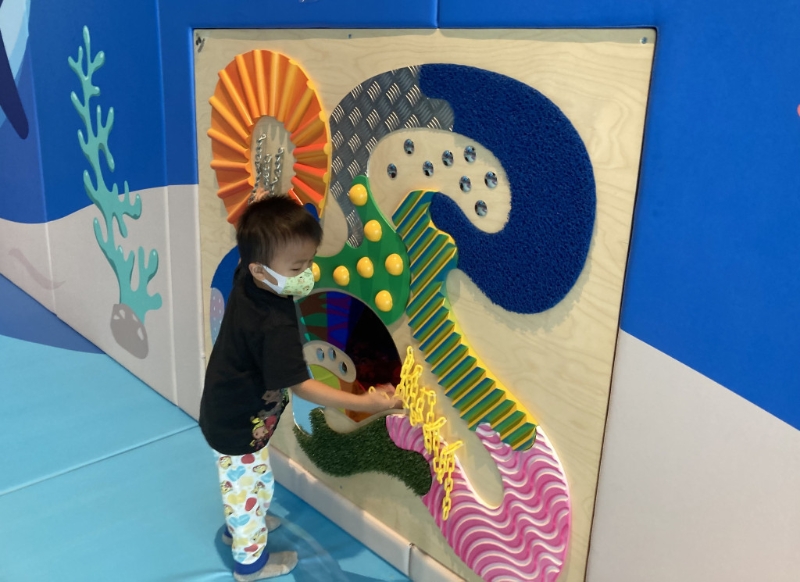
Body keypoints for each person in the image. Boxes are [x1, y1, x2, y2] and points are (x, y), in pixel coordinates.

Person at [199, 194, 400, 581]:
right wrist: (365, 402)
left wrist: (265, 208)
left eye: (309, 262)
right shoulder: (273, 324)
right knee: (246, 487)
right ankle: (250, 563)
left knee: (252, 481)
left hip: (234, 410)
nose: (306, 273)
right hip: (237, 422)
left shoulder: (249, 277)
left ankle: (241, 525)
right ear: (260, 270)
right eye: (296, 267)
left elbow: (254, 245)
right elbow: (304, 387)